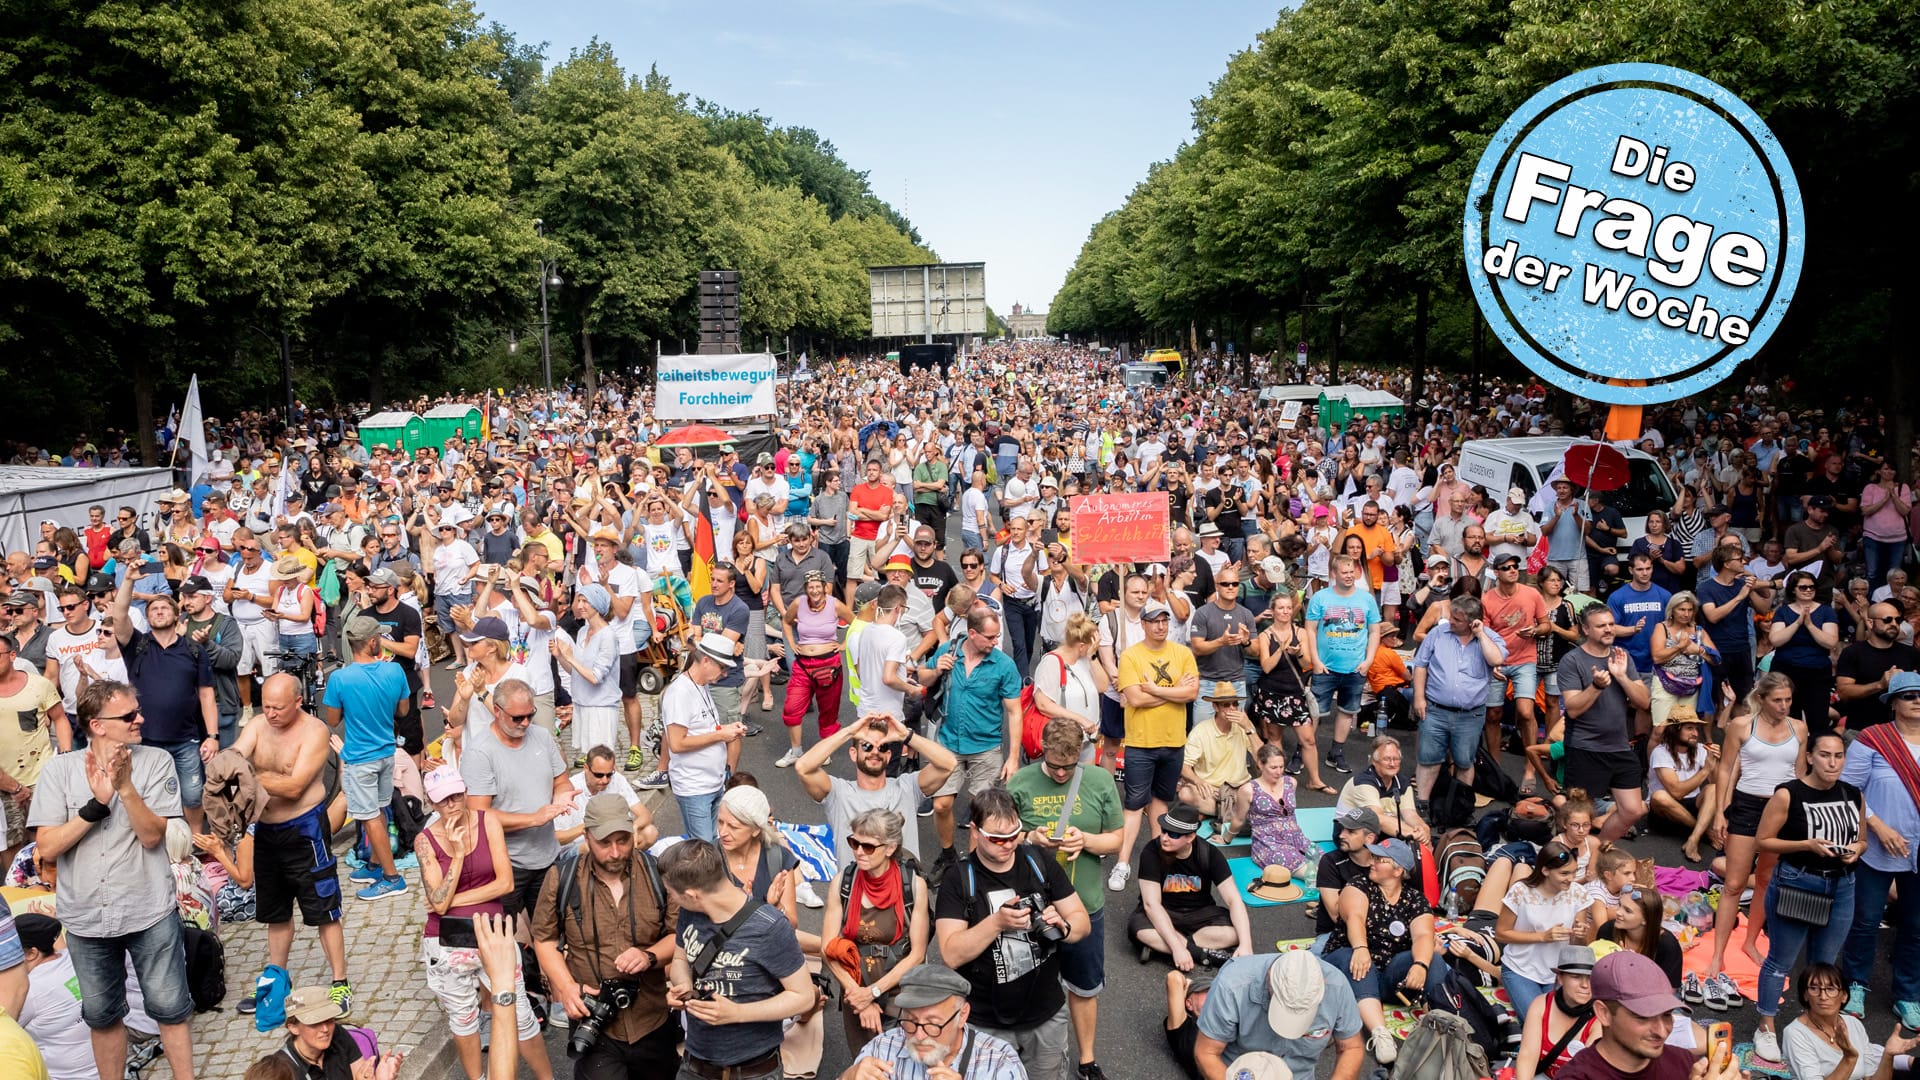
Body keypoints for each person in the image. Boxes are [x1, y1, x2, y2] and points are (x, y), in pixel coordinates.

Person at [26, 679, 196, 1080]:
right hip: (86, 919)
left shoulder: (156, 761)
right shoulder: (59, 771)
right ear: (97, 725)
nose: (140, 718)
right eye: (128, 715)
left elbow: (154, 836)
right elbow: (47, 847)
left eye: (136, 711)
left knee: (171, 1009)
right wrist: (95, 806)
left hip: (148, 909)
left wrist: (125, 789)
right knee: (102, 1016)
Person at [934, 784, 1092, 1080]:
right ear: (975, 831)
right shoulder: (959, 878)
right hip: (984, 1020)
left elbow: (1082, 921)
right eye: (996, 838)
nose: (1007, 845)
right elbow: (951, 954)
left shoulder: (1038, 860)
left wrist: (1064, 927)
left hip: (1045, 1016)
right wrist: (997, 923)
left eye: (1014, 834)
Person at [414, 765, 550, 1080]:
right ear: (432, 803)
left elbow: (504, 884)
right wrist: (459, 854)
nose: (453, 804)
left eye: (457, 795)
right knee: (463, 1019)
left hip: (494, 934)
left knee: (520, 1012)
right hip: (447, 942)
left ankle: (548, 1078)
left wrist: (450, 901)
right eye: (444, 799)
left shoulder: (486, 821)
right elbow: (437, 900)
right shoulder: (425, 841)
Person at [1008, 716, 1125, 1080]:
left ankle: (1087, 1060)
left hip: (1084, 906)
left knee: (1084, 987)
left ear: (1080, 756)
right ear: (1042, 751)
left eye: (1069, 767)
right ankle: (1017, 1058)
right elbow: (999, 840)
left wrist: (1086, 841)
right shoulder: (1021, 782)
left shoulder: (1100, 780)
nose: (1061, 774)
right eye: (1055, 766)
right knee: (1022, 986)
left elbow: (1117, 839)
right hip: (1030, 911)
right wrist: (1031, 838)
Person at [532, 793, 681, 1080]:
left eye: (623, 840)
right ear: (587, 837)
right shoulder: (561, 878)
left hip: (652, 1019)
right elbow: (545, 939)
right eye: (604, 843)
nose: (615, 852)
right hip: (596, 1024)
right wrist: (565, 987)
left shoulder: (658, 874)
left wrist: (649, 956)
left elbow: (679, 936)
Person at [234, 671, 351, 1016]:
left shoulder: (314, 731)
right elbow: (235, 757)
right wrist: (228, 764)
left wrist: (248, 777)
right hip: (267, 832)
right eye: (266, 706)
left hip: (305, 831)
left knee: (324, 910)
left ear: (298, 702)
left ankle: (339, 984)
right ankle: (276, 982)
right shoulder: (257, 724)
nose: (270, 713)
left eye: (278, 708)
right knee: (276, 913)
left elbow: (295, 786)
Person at [1745, 728, 1863, 1061]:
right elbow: (1762, 841)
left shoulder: (1853, 793)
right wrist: (1807, 844)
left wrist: (1857, 849)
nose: (1833, 762)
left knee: (1824, 965)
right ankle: (1766, 1026)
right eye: (1825, 755)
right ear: (1809, 757)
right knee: (1781, 960)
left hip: (1842, 884)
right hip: (1799, 881)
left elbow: (1863, 838)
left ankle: (1818, 1026)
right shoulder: (1789, 794)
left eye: (1839, 756)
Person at [662, 838, 815, 1080]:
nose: (670, 899)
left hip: (753, 1071)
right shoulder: (690, 913)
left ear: (692, 894)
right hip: (695, 1065)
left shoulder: (770, 927)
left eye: (671, 893)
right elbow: (680, 959)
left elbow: (804, 997)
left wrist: (737, 1013)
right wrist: (684, 985)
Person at [1702, 671, 1806, 1008]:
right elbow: (1726, 768)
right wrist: (1721, 811)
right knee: (1733, 883)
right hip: (1747, 805)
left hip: (1783, 807)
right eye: (1778, 700)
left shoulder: (1799, 728)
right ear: (1761, 699)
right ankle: (1718, 953)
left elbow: (1801, 775)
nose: (1783, 706)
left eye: (1788, 700)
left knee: (1765, 880)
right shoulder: (1741, 725)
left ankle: (1749, 942)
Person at [111, 562, 218, 831]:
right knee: (151, 796)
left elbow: (206, 695)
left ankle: (194, 840)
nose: (159, 611)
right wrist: (129, 581)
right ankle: (158, 843)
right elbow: (120, 615)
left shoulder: (193, 650)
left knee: (193, 796)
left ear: (176, 614)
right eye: (153, 609)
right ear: (147, 618)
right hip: (146, 740)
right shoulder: (137, 645)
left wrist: (213, 737)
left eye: (164, 607)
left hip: (186, 740)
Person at [1840, 671, 1920, 1027]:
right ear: (1893, 703)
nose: (1917, 700)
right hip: (1877, 847)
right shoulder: (1874, 739)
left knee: (1916, 926)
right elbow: (1847, 789)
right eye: (1909, 695)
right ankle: (1855, 984)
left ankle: (1908, 994)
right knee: (1866, 920)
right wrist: (1876, 824)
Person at [1322, 837, 1447, 1064]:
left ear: (1398, 870)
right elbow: (1355, 918)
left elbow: (1423, 935)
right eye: (1374, 857)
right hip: (1350, 959)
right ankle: (1380, 1033)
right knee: (1358, 960)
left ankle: (1437, 1025)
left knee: (1432, 958)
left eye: (1380, 860)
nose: (1372, 862)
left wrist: (1420, 965)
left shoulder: (1414, 898)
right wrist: (1361, 948)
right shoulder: (1358, 885)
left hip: (1388, 971)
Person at [462, 676, 572, 930]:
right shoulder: (480, 752)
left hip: (548, 856)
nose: (525, 723)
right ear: (497, 712)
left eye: (530, 715)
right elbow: (479, 816)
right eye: (517, 718)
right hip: (507, 864)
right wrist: (535, 818)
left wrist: (563, 795)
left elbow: (562, 780)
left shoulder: (542, 737)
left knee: (552, 932)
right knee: (508, 939)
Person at [922, 607, 1023, 881]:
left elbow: (1014, 711)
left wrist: (1013, 757)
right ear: (972, 633)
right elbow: (921, 677)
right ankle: (947, 854)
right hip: (948, 744)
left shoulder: (1003, 665)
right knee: (941, 805)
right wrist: (935, 671)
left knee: (982, 811)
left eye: (997, 636)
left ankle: (973, 868)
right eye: (989, 637)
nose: (995, 642)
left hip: (986, 747)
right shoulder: (948, 650)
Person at [820, 806, 932, 1052]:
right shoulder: (843, 883)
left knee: (901, 1064)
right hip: (854, 986)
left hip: (898, 990)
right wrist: (859, 996)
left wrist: (873, 992)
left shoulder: (913, 886)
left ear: (890, 848)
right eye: (854, 842)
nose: (859, 851)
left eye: (868, 846)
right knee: (864, 1063)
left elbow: (917, 954)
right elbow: (827, 948)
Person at [1111, 599, 1200, 892]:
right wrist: (1174, 691)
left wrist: (1155, 689)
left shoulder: (1183, 653)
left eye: (1164, 620)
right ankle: (1122, 863)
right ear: (1145, 625)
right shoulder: (1131, 656)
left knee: (1161, 804)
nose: (1161, 626)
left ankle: (1157, 861)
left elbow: (1193, 692)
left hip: (1174, 742)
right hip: (1141, 742)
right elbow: (1134, 699)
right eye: (1155, 621)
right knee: (1134, 805)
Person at [320, 616, 411, 902]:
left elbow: (332, 719)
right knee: (379, 811)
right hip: (386, 753)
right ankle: (374, 864)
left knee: (370, 817)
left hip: (360, 759)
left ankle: (392, 877)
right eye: (380, 639)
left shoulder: (340, 679)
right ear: (372, 642)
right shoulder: (395, 671)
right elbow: (403, 711)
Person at [797, 713, 956, 868]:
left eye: (882, 747)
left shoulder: (907, 787)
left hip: (902, 891)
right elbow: (803, 767)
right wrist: (849, 732)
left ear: (888, 756)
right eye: (866, 746)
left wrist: (906, 735)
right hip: (856, 890)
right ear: (853, 754)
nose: (874, 752)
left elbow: (948, 764)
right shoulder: (838, 793)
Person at [1191, 949, 1364, 1080]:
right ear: (1269, 978)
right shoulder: (1231, 985)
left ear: (1323, 985)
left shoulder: (1338, 986)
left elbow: (1351, 1047)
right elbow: (1206, 1052)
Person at [1558, 606, 1652, 843]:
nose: (1609, 629)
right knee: (1579, 819)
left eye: (1611, 623)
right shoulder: (1572, 660)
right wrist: (1596, 686)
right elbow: (1573, 709)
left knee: (1634, 809)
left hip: (1619, 746)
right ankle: (1574, 858)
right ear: (1586, 629)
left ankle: (1599, 850)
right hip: (1585, 748)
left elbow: (1643, 702)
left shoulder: (1622, 656)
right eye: (1601, 625)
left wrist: (1621, 677)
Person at [837, 964, 1026, 1080]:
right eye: (911, 1021)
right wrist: (848, 1077)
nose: (919, 1035)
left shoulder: (999, 1062)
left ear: (962, 1015)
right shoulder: (882, 1048)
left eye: (932, 1024)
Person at [1132, 801, 1254, 969]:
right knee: (1138, 929)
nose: (1165, 838)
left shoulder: (1209, 854)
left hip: (1200, 914)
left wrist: (1246, 946)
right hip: (1164, 911)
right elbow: (1151, 904)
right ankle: (1200, 954)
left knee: (1235, 933)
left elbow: (1233, 900)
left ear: (1190, 837)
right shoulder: (1151, 852)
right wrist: (1177, 949)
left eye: (1174, 835)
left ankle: (1162, 948)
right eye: (1164, 831)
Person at [1411, 593, 1506, 805]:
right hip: (1435, 709)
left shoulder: (1490, 638)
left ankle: (1460, 805)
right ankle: (1423, 804)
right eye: (1452, 616)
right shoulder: (1438, 633)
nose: (1450, 621)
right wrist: (1419, 698)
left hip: (1470, 716)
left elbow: (1497, 659)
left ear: (1472, 622)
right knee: (1428, 759)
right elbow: (1420, 665)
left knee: (1464, 762)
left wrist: (1480, 635)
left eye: (1457, 619)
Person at [1556, 952, 1712, 1080]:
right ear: (1603, 1013)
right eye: (1643, 1016)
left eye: (1667, 1014)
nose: (1662, 1032)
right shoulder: (1577, 1076)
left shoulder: (1683, 1061)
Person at [663, 633, 748, 844]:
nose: (725, 673)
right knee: (703, 850)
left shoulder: (702, 685)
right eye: (722, 667)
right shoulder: (679, 693)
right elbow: (677, 743)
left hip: (712, 782)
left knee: (715, 844)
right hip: (694, 787)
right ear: (707, 661)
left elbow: (702, 728)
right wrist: (721, 735)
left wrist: (727, 729)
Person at [1306, 554, 1383, 777]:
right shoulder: (1320, 598)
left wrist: (1368, 661)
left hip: (1355, 667)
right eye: (1344, 572)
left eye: (1352, 572)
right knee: (1315, 712)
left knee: (1347, 711)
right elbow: (1310, 630)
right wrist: (1316, 661)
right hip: (1325, 667)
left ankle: (1336, 752)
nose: (1349, 576)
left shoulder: (1366, 599)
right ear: (1334, 574)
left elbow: (1375, 631)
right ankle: (1304, 750)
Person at [1247, 591, 1333, 791]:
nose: (1285, 612)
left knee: (1308, 739)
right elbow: (1266, 666)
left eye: (1288, 608)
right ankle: (1277, 782)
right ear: (1273, 611)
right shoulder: (1266, 635)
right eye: (1281, 608)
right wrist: (1281, 648)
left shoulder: (1300, 632)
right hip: (1271, 693)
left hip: (1294, 693)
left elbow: (1307, 663)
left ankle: (1315, 780)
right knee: (1275, 738)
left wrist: (1299, 652)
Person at [1497, 841, 1589, 1023]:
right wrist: (1542, 937)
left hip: (1558, 972)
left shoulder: (1578, 893)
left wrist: (1580, 936)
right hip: (1520, 969)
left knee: (1563, 1021)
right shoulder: (1520, 891)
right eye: (1564, 873)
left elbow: (1579, 948)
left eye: (1574, 872)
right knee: (1539, 1022)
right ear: (1545, 871)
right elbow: (1501, 933)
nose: (1570, 878)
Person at [1782, 962, 1920, 1080]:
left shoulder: (1853, 1024)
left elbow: (1870, 1078)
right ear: (1805, 995)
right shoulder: (1795, 1033)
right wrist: (1849, 1058)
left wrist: (1888, 1056)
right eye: (1814, 988)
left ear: (1844, 996)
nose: (1823, 996)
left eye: (1830, 989)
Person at [1483, 552, 1550, 792]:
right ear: (1497, 572)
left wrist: (1535, 630)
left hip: (1525, 659)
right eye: (1506, 567)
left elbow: (1546, 625)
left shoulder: (1531, 593)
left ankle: (1530, 767)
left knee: (1525, 711)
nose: (1512, 570)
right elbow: (1485, 636)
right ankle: (1496, 768)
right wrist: (1494, 664)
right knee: (1493, 714)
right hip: (1499, 660)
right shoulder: (1487, 599)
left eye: (1515, 566)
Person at [778, 570, 852, 766]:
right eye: (811, 587)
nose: (815, 590)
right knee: (791, 708)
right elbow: (786, 621)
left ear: (825, 587)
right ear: (806, 588)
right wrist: (792, 644)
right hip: (803, 664)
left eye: (818, 586)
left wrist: (843, 645)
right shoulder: (798, 603)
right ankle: (796, 751)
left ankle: (824, 751)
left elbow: (856, 623)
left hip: (829, 665)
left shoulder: (835, 604)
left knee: (828, 712)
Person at [0, 634, 61, 867]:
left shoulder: (38, 685)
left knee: (45, 839)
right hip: (5, 782)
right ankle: (16, 894)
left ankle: (48, 891)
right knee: (11, 842)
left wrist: (63, 756)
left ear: (12, 656)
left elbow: (59, 718)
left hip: (40, 775)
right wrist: (13, 787)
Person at [1697, 545, 1773, 712]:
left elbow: (1764, 609)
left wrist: (1750, 590)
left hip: (1742, 648)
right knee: (1715, 697)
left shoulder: (1742, 585)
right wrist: (1739, 597)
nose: (1744, 562)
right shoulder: (1706, 588)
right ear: (1726, 564)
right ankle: (1713, 736)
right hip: (1717, 649)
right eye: (1739, 559)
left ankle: (1739, 734)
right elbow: (1713, 616)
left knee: (1744, 697)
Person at [551, 584, 620, 763]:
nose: (579, 605)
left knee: (603, 761)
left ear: (597, 605)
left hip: (600, 708)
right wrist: (560, 656)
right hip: (582, 704)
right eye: (579, 600)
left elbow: (596, 677)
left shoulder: (608, 636)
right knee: (591, 760)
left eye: (585, 601)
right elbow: (575, 671)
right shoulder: (582, 631)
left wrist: (570, 656)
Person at [1178, 682, 1256, 837]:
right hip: (1213, 790)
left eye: (1235, 704)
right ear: (1215, 707)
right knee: (1186, 793)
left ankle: (1218, 812)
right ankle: (1235, 813)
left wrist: (1249, 729)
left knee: (1261, 792)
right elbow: (1184, 767)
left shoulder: (1244, 727)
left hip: (1241, 788)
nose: (1232, 708)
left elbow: (1263, 760)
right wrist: (1199, 782)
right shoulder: (1201, 731)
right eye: (1226, 705)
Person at [1514, 945, 1601, 1080]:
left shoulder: (1599, 1015)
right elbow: (1527, 1056)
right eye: (1576, 976)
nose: (1585, 984)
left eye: (1590, 978)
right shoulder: (1541, 1004)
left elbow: (1587, 1070)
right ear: (1560, 978)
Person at [1768, 570, 1841, 728]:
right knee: (1786, 719)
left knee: (1817, 718)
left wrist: (1809, 625)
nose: (1808, 590)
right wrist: (1797, 623)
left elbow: (1831, 642)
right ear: (1793, 589)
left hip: (1817, 673)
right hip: (1786, 672)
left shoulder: (1826, 611)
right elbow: (1775, 640)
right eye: (1803, 587)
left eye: (1812, 587)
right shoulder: (1783, 611)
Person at [1030, 612, 1107, 760]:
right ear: (1082, 646)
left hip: (1086, 740)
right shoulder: (1051, 662)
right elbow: (1043, 704)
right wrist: (1081, 720)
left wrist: (1092, 656)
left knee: (1085, 782)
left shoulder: (1086, 659)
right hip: (1061, 741)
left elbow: (1103, 686)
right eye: (1094, 645)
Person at [1833, 603, 1920, 733]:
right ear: (1870, 623)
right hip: (1862, 730)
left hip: (1903, 731)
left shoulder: (1910, 653)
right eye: (1887, 619)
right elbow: (1844, 692)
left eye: (1898, 620)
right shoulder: (1853, 653)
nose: (1894, 624)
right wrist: (1880, 684)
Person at [1647, 715, 1719, 864]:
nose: (1696, 733)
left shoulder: (1700, 749)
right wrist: (1705, 771)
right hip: (1665, 812)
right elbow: (1676, 793)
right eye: (1689, 728)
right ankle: (1706, 832)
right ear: (1675, 730)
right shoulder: (1660, 752)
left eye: (1696, 728)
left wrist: (1716, 761)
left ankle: (1694, 839)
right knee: (1659, 796)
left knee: (1713, 788)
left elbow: (1718, 786)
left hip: (1692, 805)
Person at [1337, 735, 1427, 846]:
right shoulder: (1363, 782)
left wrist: (1422, 830)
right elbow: (1378, 819)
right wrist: (1411, 833)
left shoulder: (1402, 782)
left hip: (1381, 832)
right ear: (1374, 761)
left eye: (1396, 759)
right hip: (1349, 832)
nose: (1392, 764)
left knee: (1422, 840)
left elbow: (1411, 815)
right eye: (1387, 759)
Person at [1648, 593, 1715, 730]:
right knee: (1661, 730)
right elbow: (1657, 657)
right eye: (1682, 609)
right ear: (1672, 610)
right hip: (1665, 683)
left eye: (1690, 610)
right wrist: (1680, 647)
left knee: (1685, 731)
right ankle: (1655, 752)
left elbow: (1716, 659)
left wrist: (1698, 650)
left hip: (1691, 686)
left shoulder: (1697, 630)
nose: (1686, 614)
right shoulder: (1662, 627)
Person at [1164, 969, 1215, 1080]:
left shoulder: (1229, 1022)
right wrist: (1188, 985)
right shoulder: (1184, 1028)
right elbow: (1174, 978)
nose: (1213, 997)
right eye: (1207, 992)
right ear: (1189, 1003)